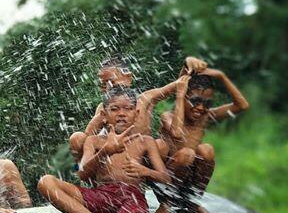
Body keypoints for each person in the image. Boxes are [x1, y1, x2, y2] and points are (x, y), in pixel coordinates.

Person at [38, 86, 171, 213]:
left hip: (132, 197)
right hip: (101, 195)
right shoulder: (94, 141)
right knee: (45, 182)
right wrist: (105, 151)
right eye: (115, 109)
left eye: (127, 109)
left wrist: (145, 171)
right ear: (104, 114)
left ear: (137, 113)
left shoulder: (145, 141)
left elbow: (165, 177)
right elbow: (82, 174)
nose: (121, 114)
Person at [155, 68, 249, 213]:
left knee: (207, 150)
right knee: (186, 154)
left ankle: (193, 203)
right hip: (164, 181)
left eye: (207, 103)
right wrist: (179, 95)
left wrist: (222, 75)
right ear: (184, 97)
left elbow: (242, 105)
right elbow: (177, 133)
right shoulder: (168, 117)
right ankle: (165, 204)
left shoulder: (206, 117)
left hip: (187, 183)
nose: (200, 107)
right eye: (194, 101)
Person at [69, 56, 208, 163]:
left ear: (128, 78)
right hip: (115, 159)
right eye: (103, 84)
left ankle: (167, 191)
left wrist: (187, 64)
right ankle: (91, 182)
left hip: (143, 159)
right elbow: (87, 138)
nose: (107, 87)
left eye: (111, 81)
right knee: (77, 138)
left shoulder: (146, 98)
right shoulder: (103, 107)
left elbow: (179, 84)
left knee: (161, 145)